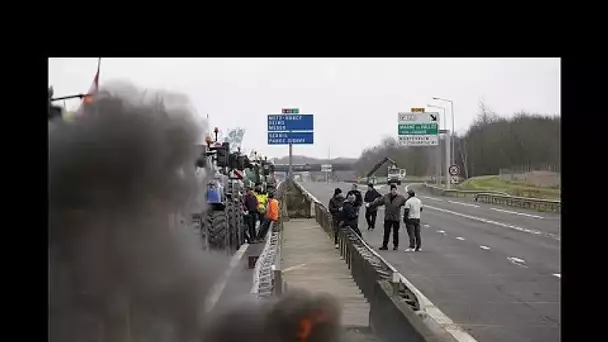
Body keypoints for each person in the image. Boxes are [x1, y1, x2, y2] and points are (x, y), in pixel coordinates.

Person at [366, 184, 407, 250]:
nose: (394, 191)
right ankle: (385, 245)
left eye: (395, 190)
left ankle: (395, 245)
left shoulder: (401, 198)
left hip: (396, 218)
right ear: (390, 190)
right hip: (388, 217)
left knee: (395, 233)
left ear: (396, 190)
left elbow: (407, 203)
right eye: (392, 190)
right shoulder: (386, 197)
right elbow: (378, 202)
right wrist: (370, 204)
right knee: (386, 232)